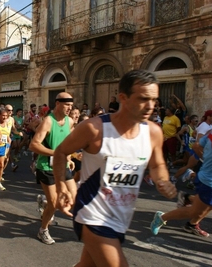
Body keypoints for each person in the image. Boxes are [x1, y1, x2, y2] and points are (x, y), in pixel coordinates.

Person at [52, 70, 176, 266]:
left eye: (154, 99)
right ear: (123, 98)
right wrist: (61, 188)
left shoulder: (153, 132)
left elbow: (158, 163)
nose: (151, 106)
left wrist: (163, 180)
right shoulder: (95, 129)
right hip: (92, 214)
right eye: (143, 99)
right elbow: (60, 152)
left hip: (121, 216)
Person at [29, 92, 76, 245]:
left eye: (71, 105)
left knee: (74, 198)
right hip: (46, 166)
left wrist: (69, 157)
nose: (69, 108)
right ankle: (43, 230)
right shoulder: (48, 121)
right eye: (66, 105)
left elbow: (66, 144)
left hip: (62, 165)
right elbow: (33, 145)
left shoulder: (69, 122)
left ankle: (45, 202)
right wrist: (56, 153)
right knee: (55, 202)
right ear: (58, 104)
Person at [150, 130, 212, 237]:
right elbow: (196, 146)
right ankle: (162, 217)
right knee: (194, 211)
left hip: (206, 177)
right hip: (208, 182)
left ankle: (191, 220)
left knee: (205, 207)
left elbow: (197, 145)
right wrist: (207, 161)